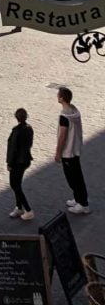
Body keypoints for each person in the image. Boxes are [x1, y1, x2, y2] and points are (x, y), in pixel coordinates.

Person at [55, 86, 89, 214]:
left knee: (74, 178)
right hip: (76, 148)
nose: (57, 96)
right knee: (76, 176)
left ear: (62, 98)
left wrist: (58, 152)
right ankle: (78, 199)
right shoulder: (74, 110)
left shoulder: (64, 116)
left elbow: (63, 136)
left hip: (68, 152)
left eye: (58, 95)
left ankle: (83, 204)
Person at [7, 107, 34, 220]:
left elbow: (13, 149)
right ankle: (19, 207)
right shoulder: (29, 128)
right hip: (25, 160)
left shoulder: (16, 131)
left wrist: (9, 163)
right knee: (17, 184)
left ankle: (28, 209)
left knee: (15, 185)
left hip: (17, 162)